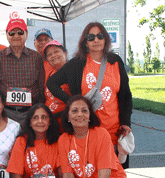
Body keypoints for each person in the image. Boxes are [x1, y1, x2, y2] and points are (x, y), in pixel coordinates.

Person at [47, 22, 132, 167]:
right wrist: (71, 102)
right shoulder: (76, 63)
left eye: (100, 36)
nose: (96, 40)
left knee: (112, 176)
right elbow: (52, 83)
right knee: (89, 172)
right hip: (86, 130)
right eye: (91, 37)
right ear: (85, 41)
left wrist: (126, 122)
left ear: (106, 39)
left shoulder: (115, 61)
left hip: (113, 130)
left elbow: (125, 95)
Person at [0, 18, 46, 125]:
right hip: (6, 112)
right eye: (12, 33)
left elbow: (41, 87)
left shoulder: (36, 57)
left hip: (30, 112)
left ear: (26, 33)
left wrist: (38, 111)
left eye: (20, 32)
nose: (16, 36)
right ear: (6, 34)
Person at [42, 40, 71, 123]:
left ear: (65, 53)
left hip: (66, 121)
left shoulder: (73, 72)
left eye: (56, 51)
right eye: (49, 54)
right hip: (50, 123)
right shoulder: (50, 74)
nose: (53, 55)